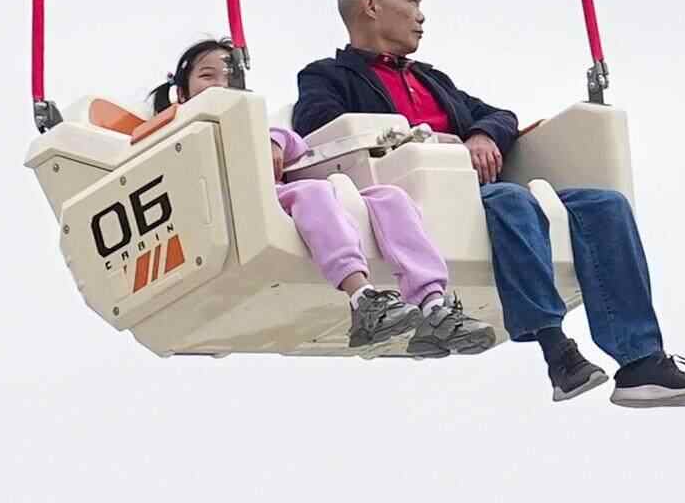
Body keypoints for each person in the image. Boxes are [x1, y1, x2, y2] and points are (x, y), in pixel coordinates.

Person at [291, 0, 685, 409]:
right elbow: (320, 129)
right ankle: (557, 351)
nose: (422, 15)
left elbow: (500, 116)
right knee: (510, 198)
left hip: (480, 192)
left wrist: (481, 135)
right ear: (371, 6)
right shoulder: (327, 76)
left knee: (604, 205)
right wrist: (422, 141)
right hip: (411, 196)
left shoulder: (431, 80)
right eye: (413, 1)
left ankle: (641, 361)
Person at [145, 36, 496, 359]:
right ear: (182, 92)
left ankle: (433, 305)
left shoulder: (254, 125)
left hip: (281, 193)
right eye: (208, 76)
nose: (221, 84)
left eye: (229, 76)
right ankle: (362, 297)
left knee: (389, 197)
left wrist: (276, 140)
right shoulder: (178, 130)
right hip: (242, 204)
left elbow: (296, 145)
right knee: (313, 191)